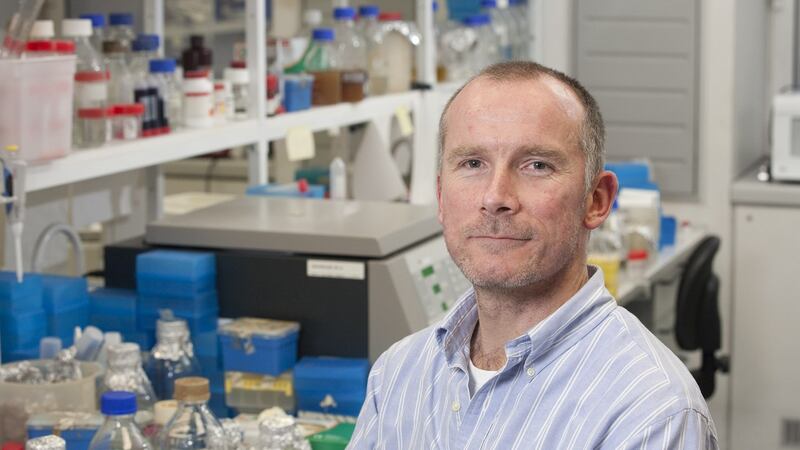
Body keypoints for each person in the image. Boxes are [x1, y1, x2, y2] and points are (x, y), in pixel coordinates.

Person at [347, 61, 718, 449]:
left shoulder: (650, 412)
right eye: (473, 163)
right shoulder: (398, 375)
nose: (495, 197)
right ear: (441, 197)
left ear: (596, 200)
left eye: (537, 165)